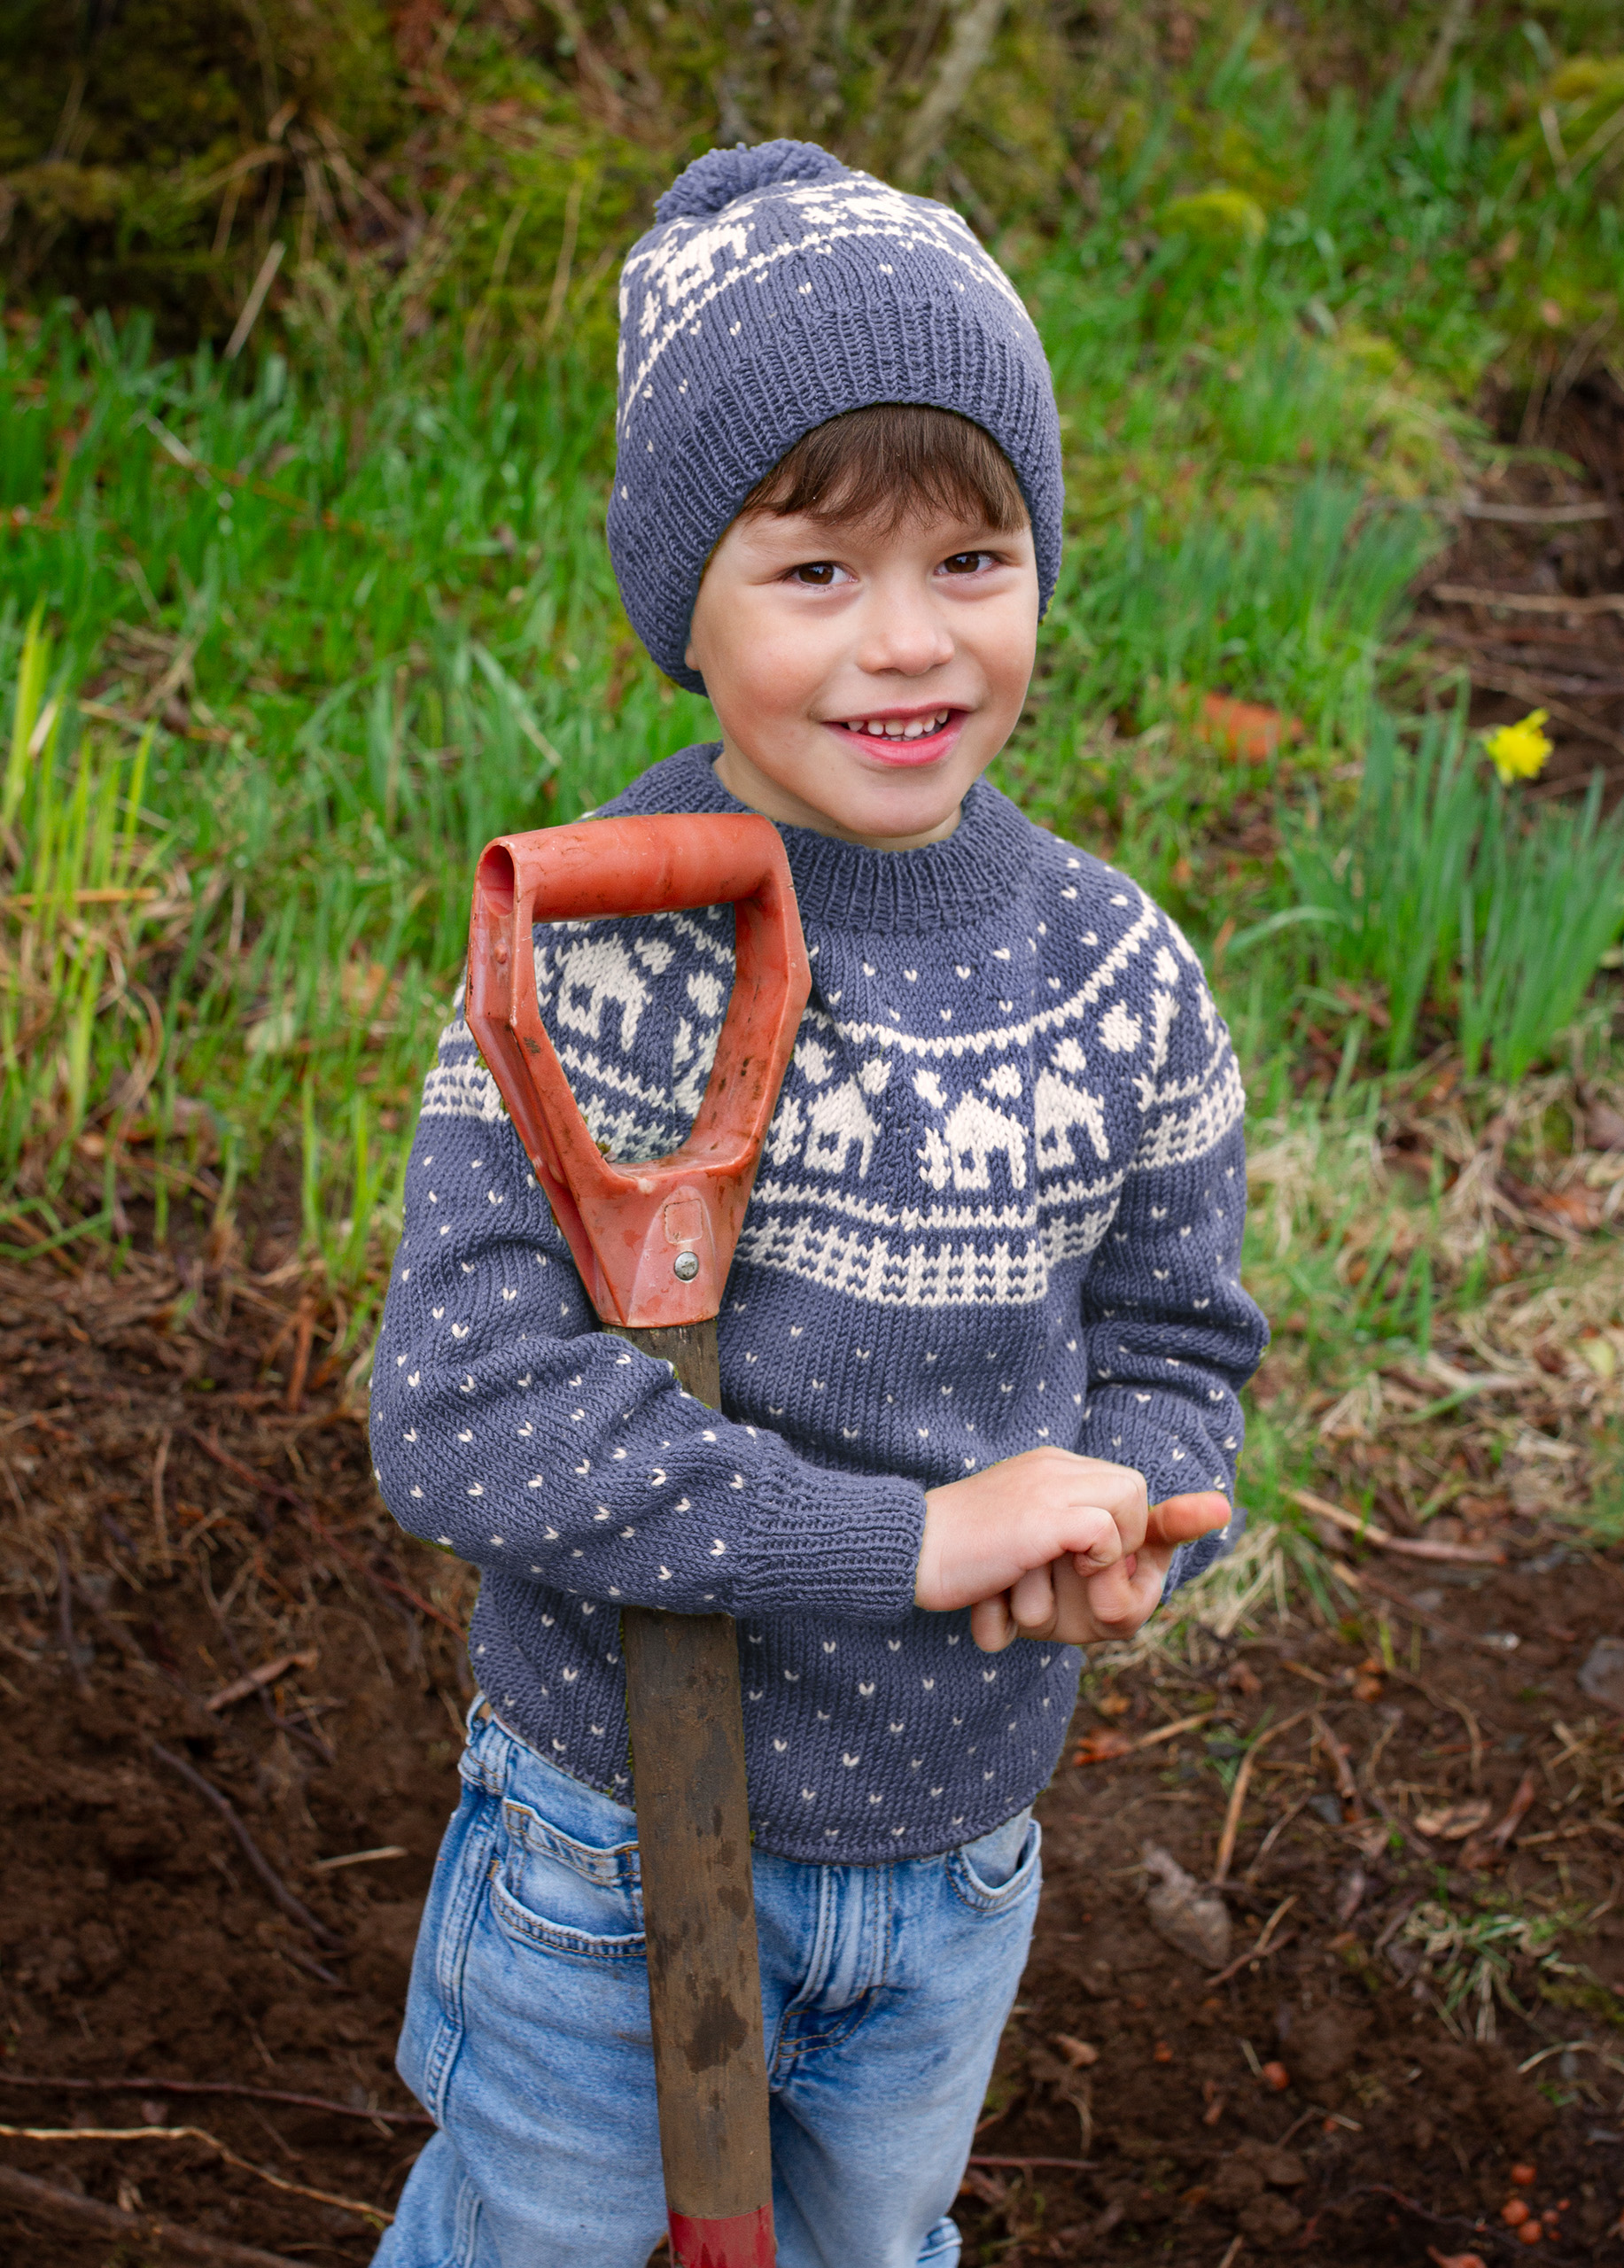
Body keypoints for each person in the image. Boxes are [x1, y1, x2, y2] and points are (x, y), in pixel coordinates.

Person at [368, 138, 1268, 2268]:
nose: (908, 645)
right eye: (813, 571)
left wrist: (1136, 1494)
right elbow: (461, 1405)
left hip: (954, 1859)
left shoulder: (1111, 971)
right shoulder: (603, 948)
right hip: (602, 1840)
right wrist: (908, 1536)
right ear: (682, 596)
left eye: (973, 558)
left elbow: (1175, 1329)